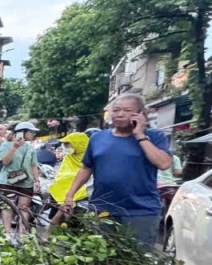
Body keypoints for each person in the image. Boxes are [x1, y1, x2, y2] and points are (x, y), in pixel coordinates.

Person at [62, 93, 172, 249]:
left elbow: (164, 163)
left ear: (140, 114)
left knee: (136, 262)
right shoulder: (97, 138)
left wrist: (140, 135)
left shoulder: (154, 136)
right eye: (116, 110)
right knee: (99, 259)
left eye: (127, 110)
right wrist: (70, 195)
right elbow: (86, 168)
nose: (120, 114)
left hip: (141, 212)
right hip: (101, 209)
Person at [0, 122, 41, 245]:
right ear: (22, 132)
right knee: (7, 206)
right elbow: (4, 162)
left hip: (26, 181)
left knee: (24, 207)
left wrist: (37, 180)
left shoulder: (31, 147)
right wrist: (15, 147)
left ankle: (22, 233)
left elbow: (34, 165)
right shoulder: (6, 145)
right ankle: (8, 233)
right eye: (31, 132)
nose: (34, 134)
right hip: (7, 181)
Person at [47, 132, 90, 233]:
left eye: (67, 144)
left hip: (82, 192)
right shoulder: (69, 157)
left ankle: (48, 237)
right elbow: (61, 173)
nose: (65, 147)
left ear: (77, 143)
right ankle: (48, 238)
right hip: (63, 191)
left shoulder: (89, 158)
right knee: (58, 215)